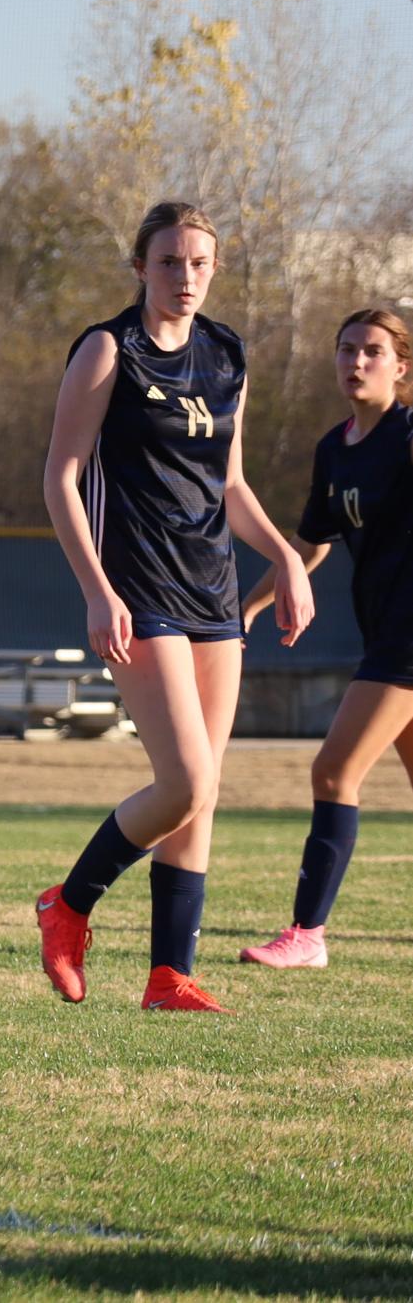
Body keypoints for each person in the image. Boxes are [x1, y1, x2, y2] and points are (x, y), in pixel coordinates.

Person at [36, 201, 314, 1013]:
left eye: (197, 263)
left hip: (212, 593)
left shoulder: (226, 353)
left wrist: (288, 557)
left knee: (205, 788)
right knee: (184, 780)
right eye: (167, 263)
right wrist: (95, 588)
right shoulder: (105, 349)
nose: (183, 278)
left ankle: (168, 976)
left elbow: (228, 486)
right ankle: (69, 903)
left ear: (213, 270)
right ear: (139, 268)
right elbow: (59, 475)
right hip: (137, 589)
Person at [237, 309, 413, 968]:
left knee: (333, 770)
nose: (356, 362)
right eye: (345, 350)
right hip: (384, 634)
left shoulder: (407, 434)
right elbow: (308, 545)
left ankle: (306, 935)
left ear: (401, 366)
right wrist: (248, 608)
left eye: (372, 351)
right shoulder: (333, 449)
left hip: (406, 640)